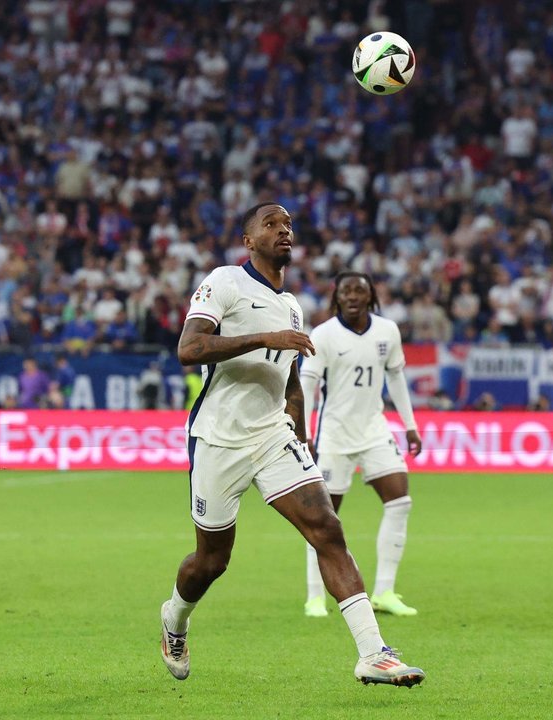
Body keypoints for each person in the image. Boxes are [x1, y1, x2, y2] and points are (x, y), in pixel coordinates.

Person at [160, 203, 424, 687]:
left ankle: (373, 653)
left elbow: (292, 381)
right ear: (248, 240)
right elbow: (189, 349)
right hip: (218, 439)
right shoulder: (224, 281)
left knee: (328, 529)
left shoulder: (293, 306)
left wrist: (296, 423)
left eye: (288, 225)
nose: (284, 231)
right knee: (212, 561)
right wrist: (268, 336)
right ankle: (175, 618)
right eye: (271, 224)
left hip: (272, 436)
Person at [300, 272, 423, 619]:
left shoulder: (388, 331)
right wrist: (304, 432)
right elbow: (307, 385)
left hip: (374, 430)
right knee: (323, 518)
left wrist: (410, 426)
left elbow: (396, 378)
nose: (353, 296)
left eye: (360, 290)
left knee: (400, 501)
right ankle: (315, 597)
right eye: (346, 291)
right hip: (334, 435)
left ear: (370, 296)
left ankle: (384, 591)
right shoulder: (323, 335)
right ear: (337, 297)